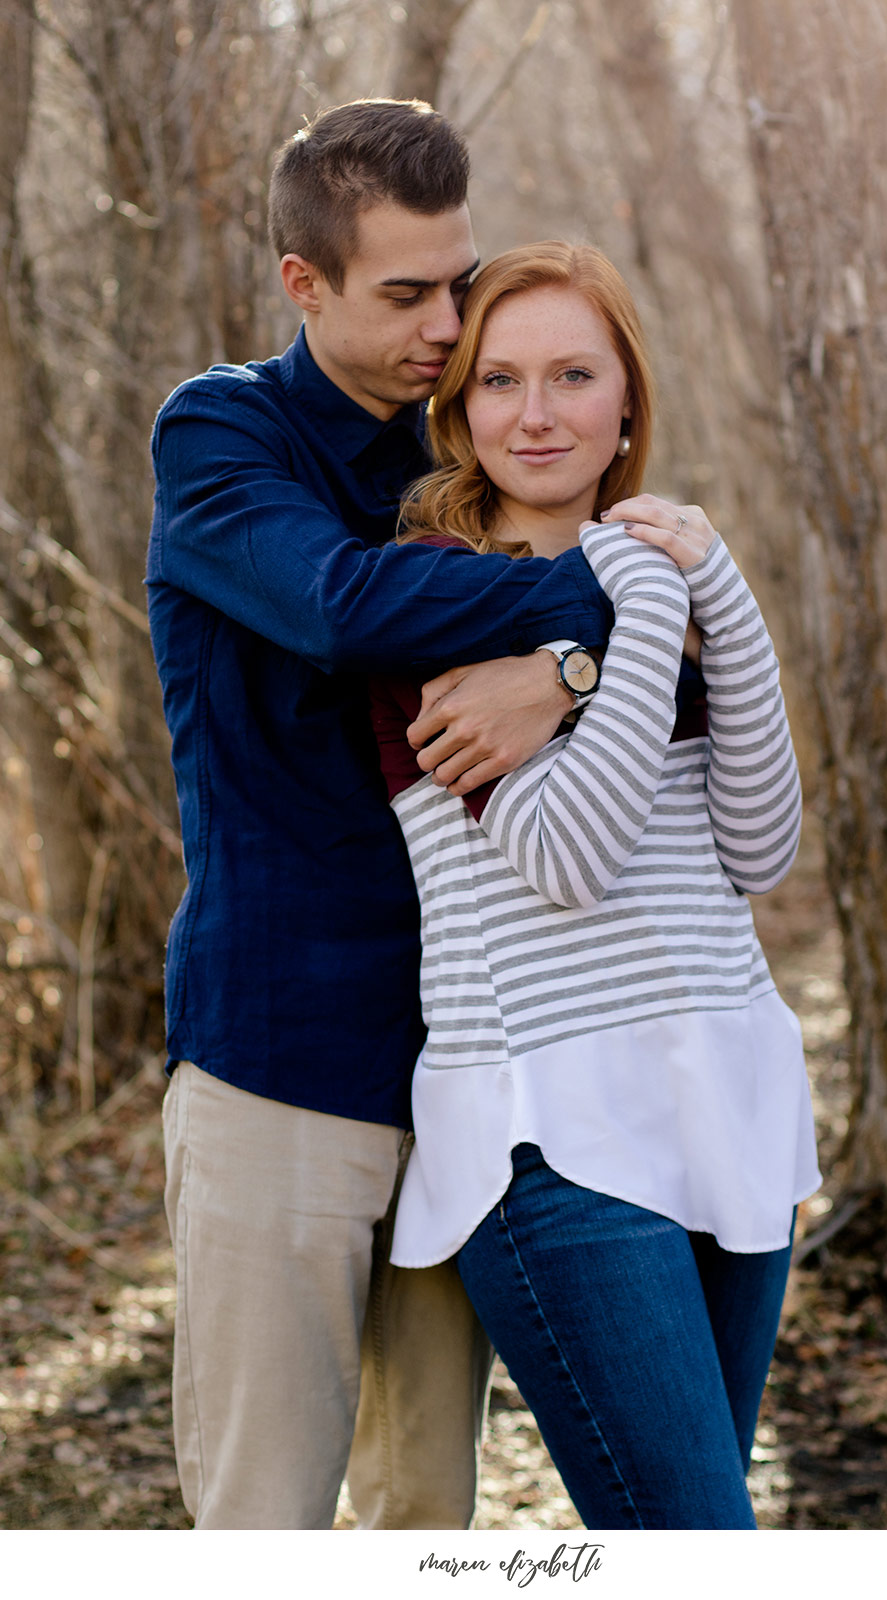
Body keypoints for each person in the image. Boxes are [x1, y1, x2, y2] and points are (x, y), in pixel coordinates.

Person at [146, 102, 617, 1530]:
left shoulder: (473, 442)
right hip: (276, 1060)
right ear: (306, 283)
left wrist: (571, 674)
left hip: (463, 1063)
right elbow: (344, 609)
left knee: (426, 1510)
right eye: (405, 291)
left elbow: (671, 671)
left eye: (457, 282)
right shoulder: (223, 431)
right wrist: (592, 614)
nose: (445, 321)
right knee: (261, 1516)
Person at [369, 241, 821, 1530]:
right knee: (695, 1540)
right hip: (551, 1129)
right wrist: (620, 621)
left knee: (690, 1523)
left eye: (573, 373)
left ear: (628, 397)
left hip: (722, 1103)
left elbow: (760, 847)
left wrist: (718, 592)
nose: (537, 412)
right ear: (459, 409)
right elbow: (566, 860)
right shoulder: (431, 602)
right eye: (499, 381)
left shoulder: (670, 574)